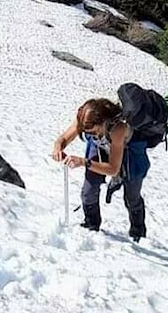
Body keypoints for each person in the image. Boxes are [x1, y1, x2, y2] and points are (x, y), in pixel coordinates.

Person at [51, 97, 149, 241]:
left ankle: (138, 234)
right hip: (100, 148)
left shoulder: (119, 128)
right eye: (86, 132)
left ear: (103, 123)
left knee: (132, 197)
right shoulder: (84, 118)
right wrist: (58, 147)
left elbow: (113, 169)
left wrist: (84, 162)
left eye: (91, 132)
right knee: (88, 191)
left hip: (130, 154)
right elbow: (64, 138)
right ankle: (91, 226)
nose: (88, 134)